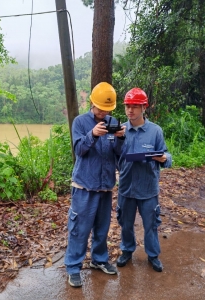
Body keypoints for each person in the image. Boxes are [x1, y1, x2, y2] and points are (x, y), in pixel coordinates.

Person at [64, 82, 126, 288]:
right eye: (100, 107)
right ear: (92, 102)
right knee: (79, 229)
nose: (103, 112)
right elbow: (79, 150)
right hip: (84, 186)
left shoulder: (112, 121)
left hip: (105, 186)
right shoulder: (80, 122)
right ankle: (73, 267)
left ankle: (99, 260)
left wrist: (120, 137)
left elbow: (118, 153)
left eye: (107, 109)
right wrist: (93, 134)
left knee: (102, 228)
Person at [116, 87, 172, 272]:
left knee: (151, 224)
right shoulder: (121, 130)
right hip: (127, 186)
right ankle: (126, 251)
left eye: (135, 106)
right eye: (127, 106)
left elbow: (166, 155)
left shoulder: (155, 131)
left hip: (148, 188)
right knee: (125, 223)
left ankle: (153, 255)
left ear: (143, 108)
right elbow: (115, 157)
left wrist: (164, 158)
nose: (130, 110)